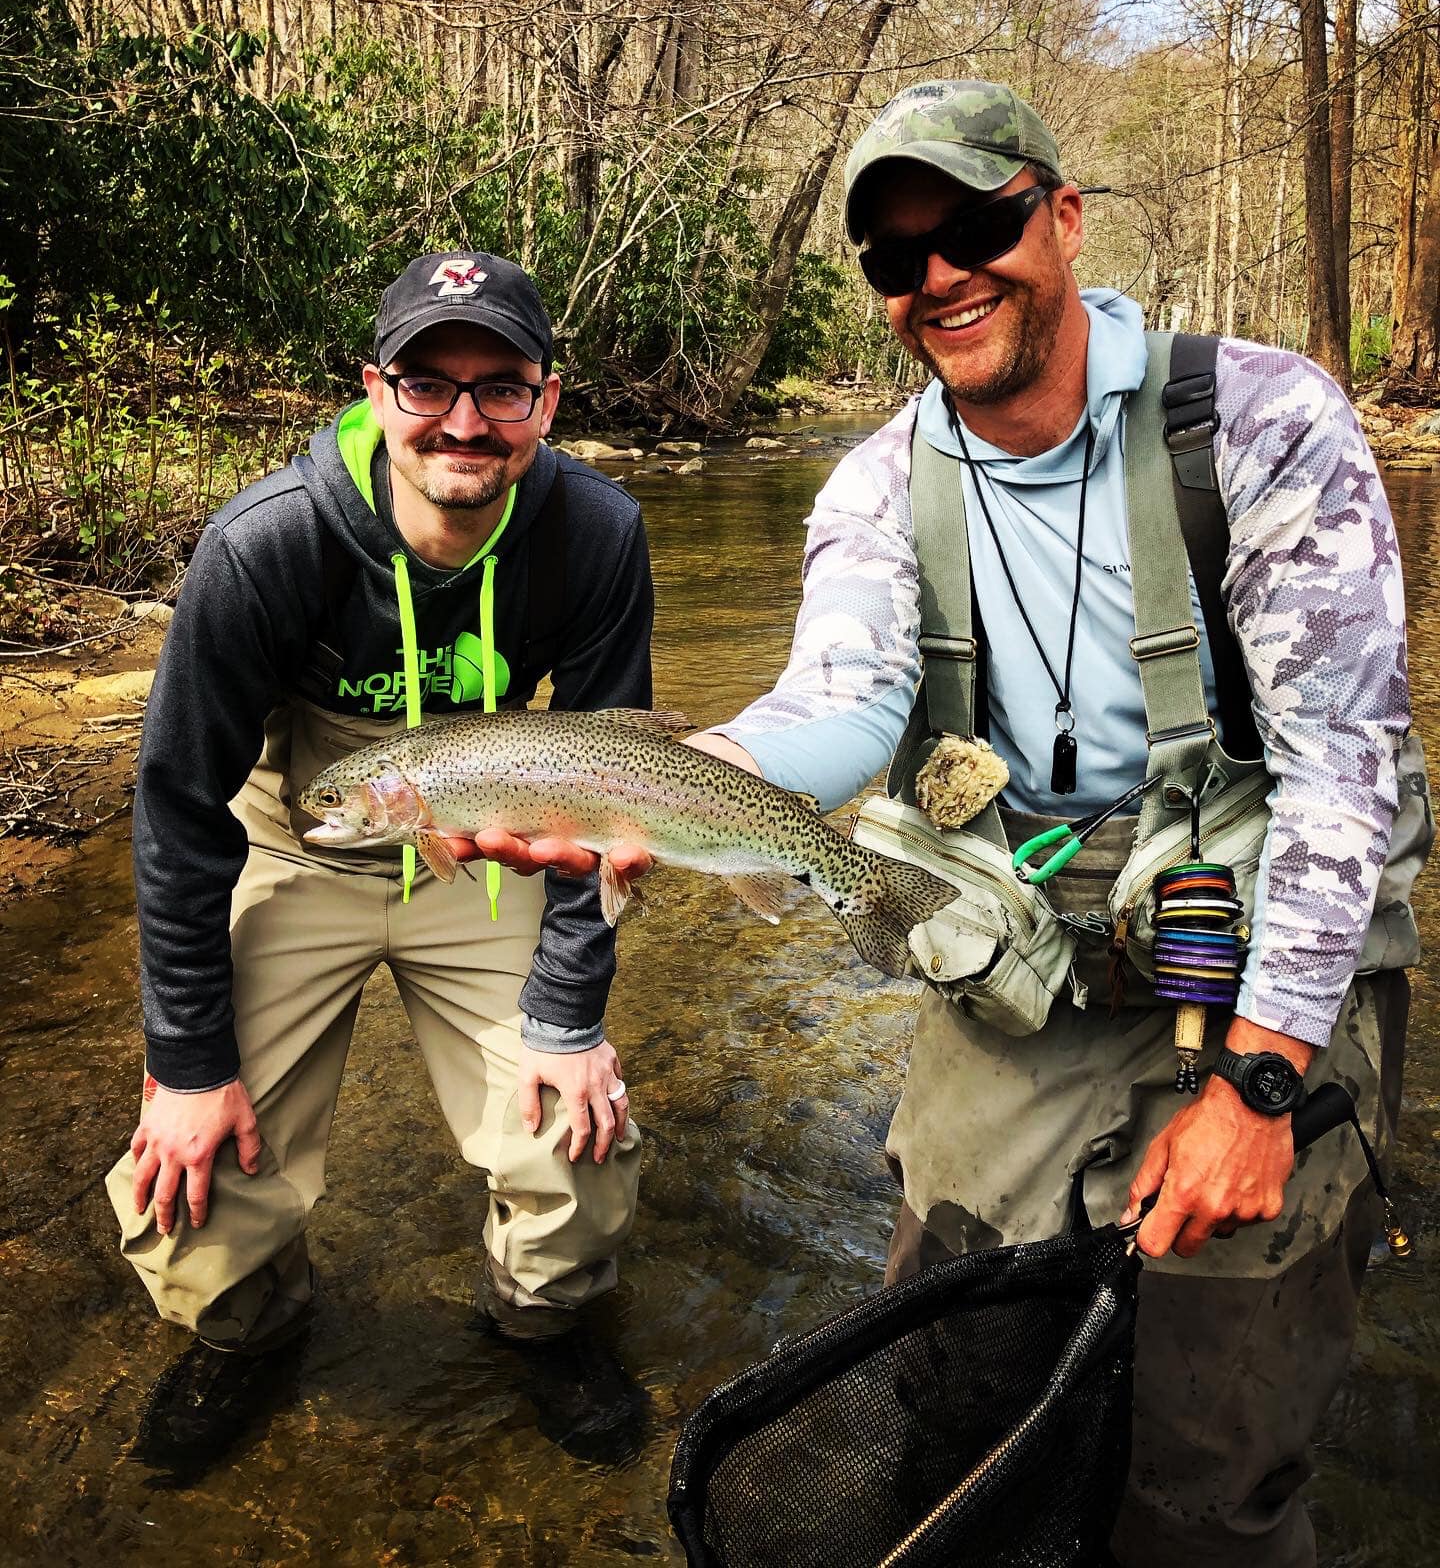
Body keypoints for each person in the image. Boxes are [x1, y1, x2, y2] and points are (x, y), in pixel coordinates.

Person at [506, 83, 1428, 1564]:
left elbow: (1342, 769)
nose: (939, 276)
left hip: (1266, 964)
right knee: (954, 1399)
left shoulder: (1258, 419)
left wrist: (1260, 1084)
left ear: (1060, 217)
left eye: (976, 227)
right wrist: (695, 778)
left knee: (1217, 1473)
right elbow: (849, 700)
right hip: (1031, 962)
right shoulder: (878, 485)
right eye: (894, 256)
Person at [106, 250, 651, 1470]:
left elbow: (612, 793)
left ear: (547, 401)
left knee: (573, 1124)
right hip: (293, 833)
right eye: (427, 383)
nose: (465, 420)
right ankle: (244, 1331)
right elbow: (178, 806)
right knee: (187, 1160)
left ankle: (544, 1322)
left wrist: (570, 1016)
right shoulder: (266, 544)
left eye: (500, 386)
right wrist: (187, 1063)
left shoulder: (599, 533)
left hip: (487, 835)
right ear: (375, 391)